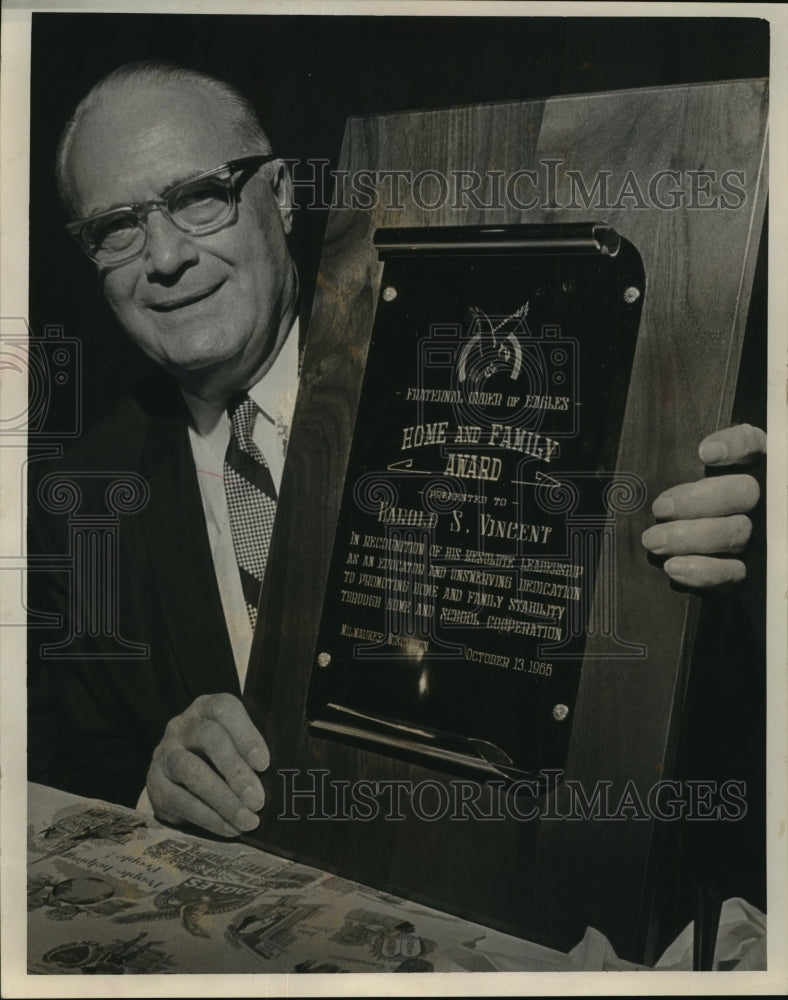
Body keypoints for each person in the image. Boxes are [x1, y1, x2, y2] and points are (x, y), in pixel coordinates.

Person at [28, 62, 766, 841]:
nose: (166, 256)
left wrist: (727, 570)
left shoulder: (466, 381)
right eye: (118, 226)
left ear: (279, 194)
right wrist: (151, 790)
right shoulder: (83, 491)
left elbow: (643, 693)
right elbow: (63, 758)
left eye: (198, 198)